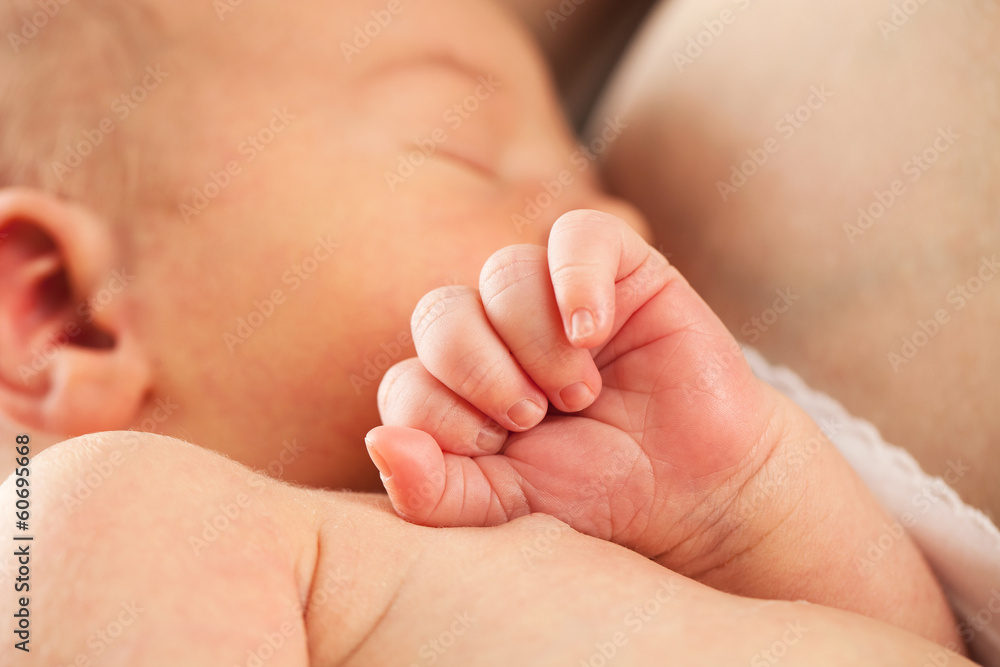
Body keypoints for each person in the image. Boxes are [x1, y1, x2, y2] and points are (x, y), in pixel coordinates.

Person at [0, 0, 979, 662]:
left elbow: (918, 644)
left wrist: (737, 499)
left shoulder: (600, 510)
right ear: (59, 316)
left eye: (594, 186)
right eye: (458, 148)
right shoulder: (81, 534)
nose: (623, 228)